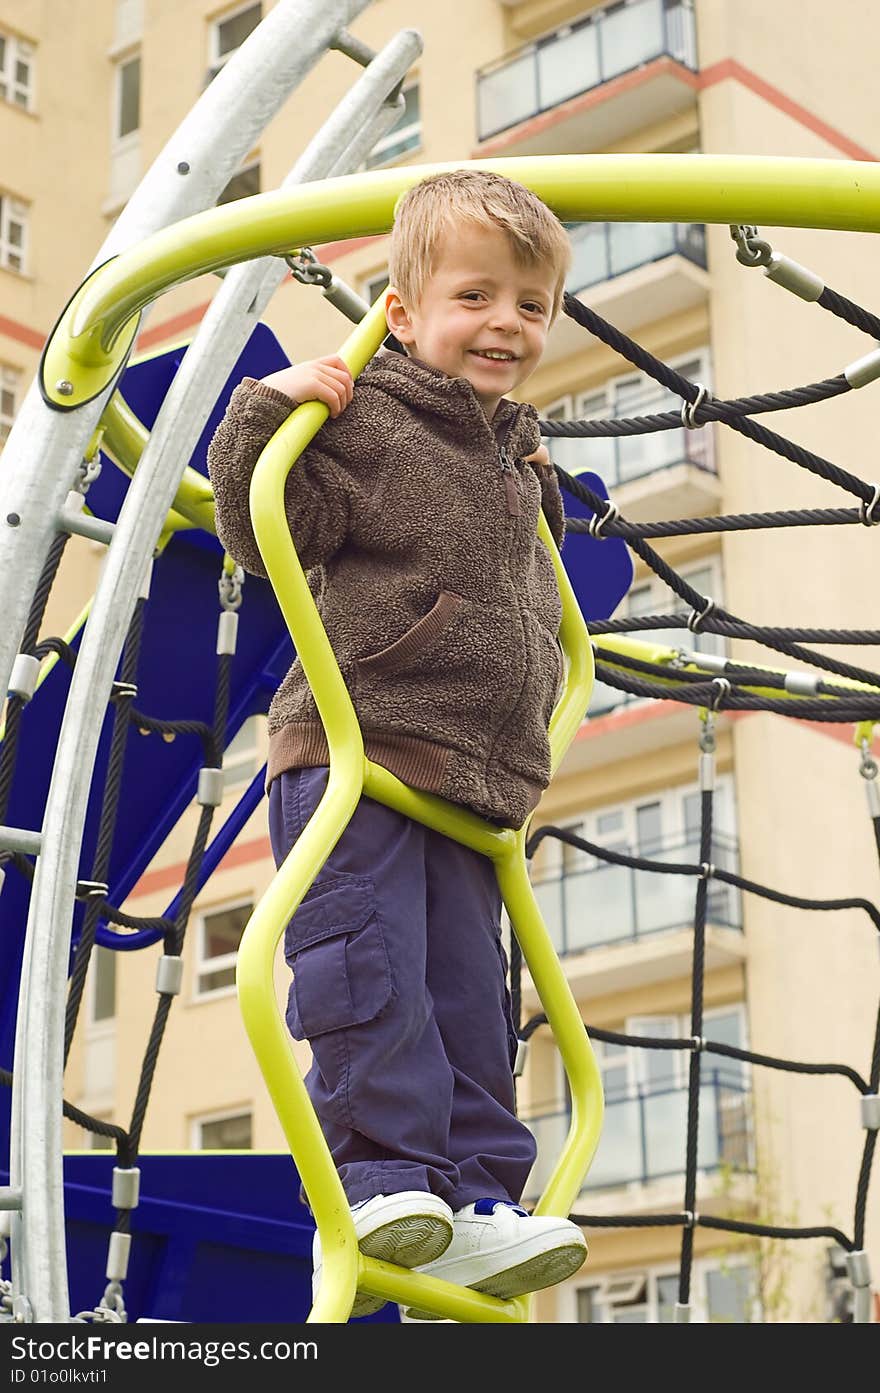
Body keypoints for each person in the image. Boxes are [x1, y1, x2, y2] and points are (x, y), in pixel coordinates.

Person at [208, 169, 588, 1318]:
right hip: (357, 753)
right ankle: (380, 1178)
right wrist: (269, 409)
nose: (506, 324)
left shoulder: (516, 459)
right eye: (476, 295)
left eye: (530, 304)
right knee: (367, 973)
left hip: (470, 784)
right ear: (404, 310)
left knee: (475, 1006)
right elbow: (264, 519)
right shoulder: (363, 418)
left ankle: (477, 1203)